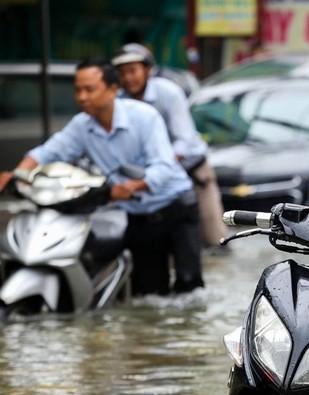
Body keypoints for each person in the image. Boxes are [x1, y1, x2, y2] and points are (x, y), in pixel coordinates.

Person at [0, 59, 204, 296]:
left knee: (190, 289)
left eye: (90, 89)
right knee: (149, 294)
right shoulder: (81, 126)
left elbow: (164, 165)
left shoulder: (144, 117)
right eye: (78, 90)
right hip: (139, 217)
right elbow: (48, 152)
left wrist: (134, 186)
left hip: (177, 208)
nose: (82, 97)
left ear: (112, 89)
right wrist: (16, 174)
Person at [112, 43, 228, 250]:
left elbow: (184, 139)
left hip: (192, 170)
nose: (128, 78)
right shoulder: (118, 100)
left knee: (215, 237)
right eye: (122, 73)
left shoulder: (168, 93)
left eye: (133, 71)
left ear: (147, 70)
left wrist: (160, 165)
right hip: (151, 177)